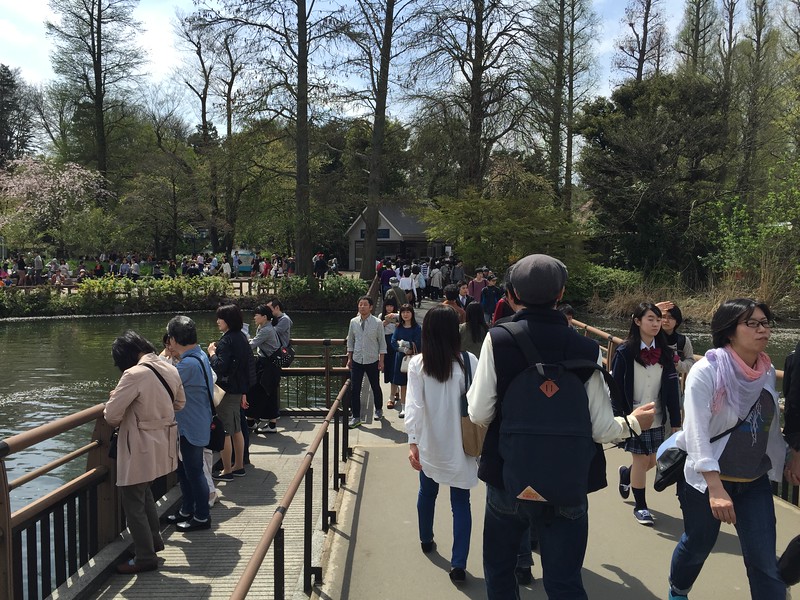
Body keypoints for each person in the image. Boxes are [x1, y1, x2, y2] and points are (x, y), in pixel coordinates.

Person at [467, 254, 656, 599]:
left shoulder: (499, 339)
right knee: (565, 582)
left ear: (510, 295)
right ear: (561, 293)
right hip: (567, 479)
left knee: (500, 573)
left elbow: (479, 412)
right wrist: (634, 423)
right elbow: (600, 429)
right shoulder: (585, 347)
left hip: (508, 473)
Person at [668, 299, 786, 600]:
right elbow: (695, 431)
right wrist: (715, 486)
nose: (763, 330)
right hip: (708, 483)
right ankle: (678, 590)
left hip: (753, 481)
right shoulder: (706, 370)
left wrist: (790, 456)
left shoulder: (766, 370)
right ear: (729, 331)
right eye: (753, 323)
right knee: (697, 546)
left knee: (764, 563)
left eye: (765, 322)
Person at [406, 305, 479, 583]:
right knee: (461, 502)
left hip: (430, 441)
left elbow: (413, 406)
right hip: (462, 443)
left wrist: (412, 442)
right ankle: (459, 563)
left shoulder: (418, 364)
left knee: (427, 491)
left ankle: (426, 539)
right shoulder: (469, 361)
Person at [104, 330, 185, 574]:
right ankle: (153, 541)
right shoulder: (169, 368)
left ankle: (145, 556)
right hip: (163, 443)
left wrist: (118, 399)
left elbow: (111, 416)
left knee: (133, 501)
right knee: (144, 493)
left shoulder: (134, 374)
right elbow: (180, 403)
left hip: (138, 447)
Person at [613, 302, 681, 526]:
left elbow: (671, 389)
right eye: (650, 319)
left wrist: (676, 421)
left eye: (657, 319)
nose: (655, 323)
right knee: (642, 459)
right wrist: (620, 415)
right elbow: (616, 385)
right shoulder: (625, 351)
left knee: (652, 460)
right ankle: (641, 506)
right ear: (637, 321)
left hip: (657, 414)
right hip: (634, 414)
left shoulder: (665, 354)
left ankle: (627, 475)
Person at [162, 316, 214, 532]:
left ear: (173, 340)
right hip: (195, 422)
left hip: (191, 425)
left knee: (194, 471)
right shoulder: (200, 355)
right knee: (185, 470)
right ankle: (187, 508)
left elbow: (162, 387)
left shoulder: (189, 363)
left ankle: (202, 516)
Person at [208, 304, 252, 481]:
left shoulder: (227, 340)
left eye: (220, 318)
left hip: (226, 390)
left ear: (228, 320)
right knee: (236, 428)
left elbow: (220, 366)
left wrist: (211, 353)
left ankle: (227, 470)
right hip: (238, 388)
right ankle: (239, 465)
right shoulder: (241, 337)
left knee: (225, 430)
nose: (218, 321)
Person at [346, 295, 387, 428]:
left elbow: (382, 342)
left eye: (365, 305)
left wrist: (381, 360)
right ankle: (356, 416)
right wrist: (349, 358)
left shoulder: (377, 322)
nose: (362, 307)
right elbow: (350, 340)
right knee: (354, 388)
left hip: (372, 359)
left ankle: (379, 409)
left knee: (375, 386)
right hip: (357, 359)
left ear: (370, 307)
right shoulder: (353, 322)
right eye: (360, 304)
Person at [248, 304, 281, 434]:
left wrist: (239, 343)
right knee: (267, 392)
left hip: (267, 365)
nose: (254, 317)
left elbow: (252, 344)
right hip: (268, 364)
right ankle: (268, 424)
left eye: (257, 315)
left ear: (264, 317)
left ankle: (253, 421)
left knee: (258, 391)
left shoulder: (266, 330)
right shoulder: (263, 327)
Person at [391, 304, 422, 419]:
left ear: (412, 313)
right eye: (403, 312)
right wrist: (403, 348)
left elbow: (418, 342)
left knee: (413, 383)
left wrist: (405, 343)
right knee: (403, 383)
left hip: (414, 357)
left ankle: (414, 406)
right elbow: (393, 342)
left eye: (408, 312)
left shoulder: (417, 328)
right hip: (401, 358)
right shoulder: (398, 327)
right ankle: (404, 408)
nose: (405, 314)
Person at [381, 298, 401, 409]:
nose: (389, 308)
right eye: (387, 306)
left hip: (396, 343)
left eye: (391, 306)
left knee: (395, 369)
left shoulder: (399, 315)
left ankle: (391, 397)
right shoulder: (381, 316)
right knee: (388, 369)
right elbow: (378, 330)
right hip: (385, 344)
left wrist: (398, 323)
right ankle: (396, 390)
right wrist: (385, 322)